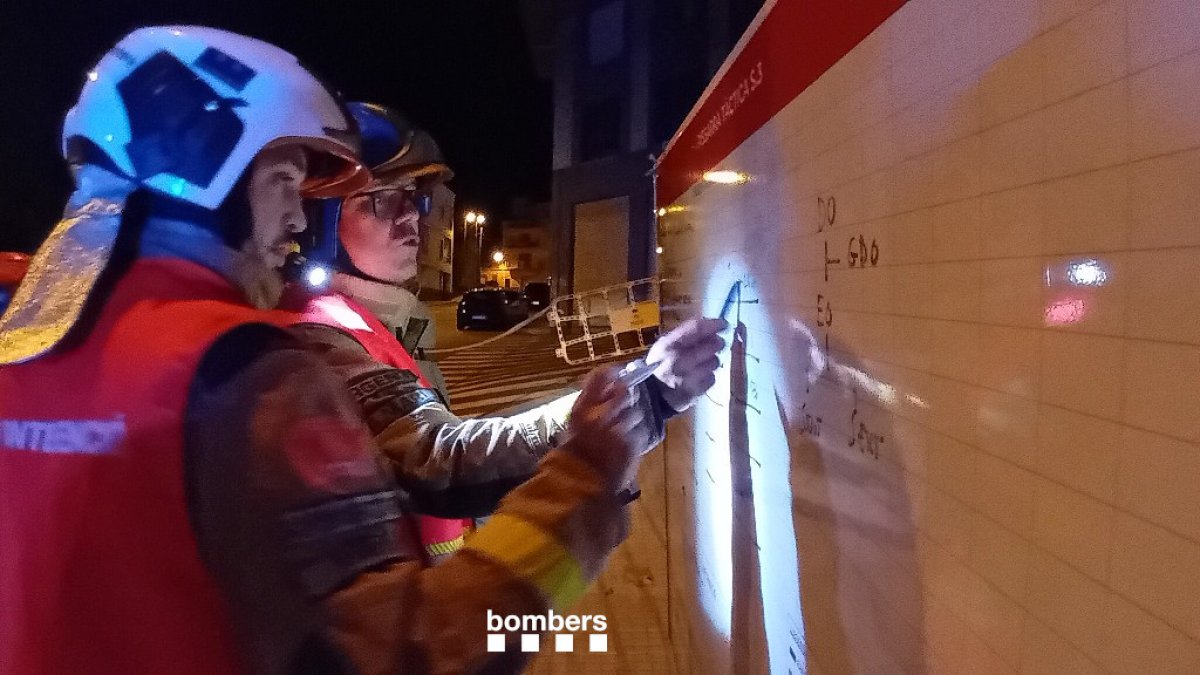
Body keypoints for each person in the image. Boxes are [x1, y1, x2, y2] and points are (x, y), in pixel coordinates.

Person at [0, 26, 718, 674]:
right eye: (284, 182)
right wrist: (589, 471)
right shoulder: (241, 365)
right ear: (203, 177)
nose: (296, 215)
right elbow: (406, 649)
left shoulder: (29, 352)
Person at [286, 102, 727, 563]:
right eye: (381, 199)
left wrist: (639, 401)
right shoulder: (322, 336)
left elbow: (460, 452)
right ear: (322, 225)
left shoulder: (384, 323)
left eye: (413, 197)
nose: (410, 215)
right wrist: (628, 402)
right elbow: (437, 460)